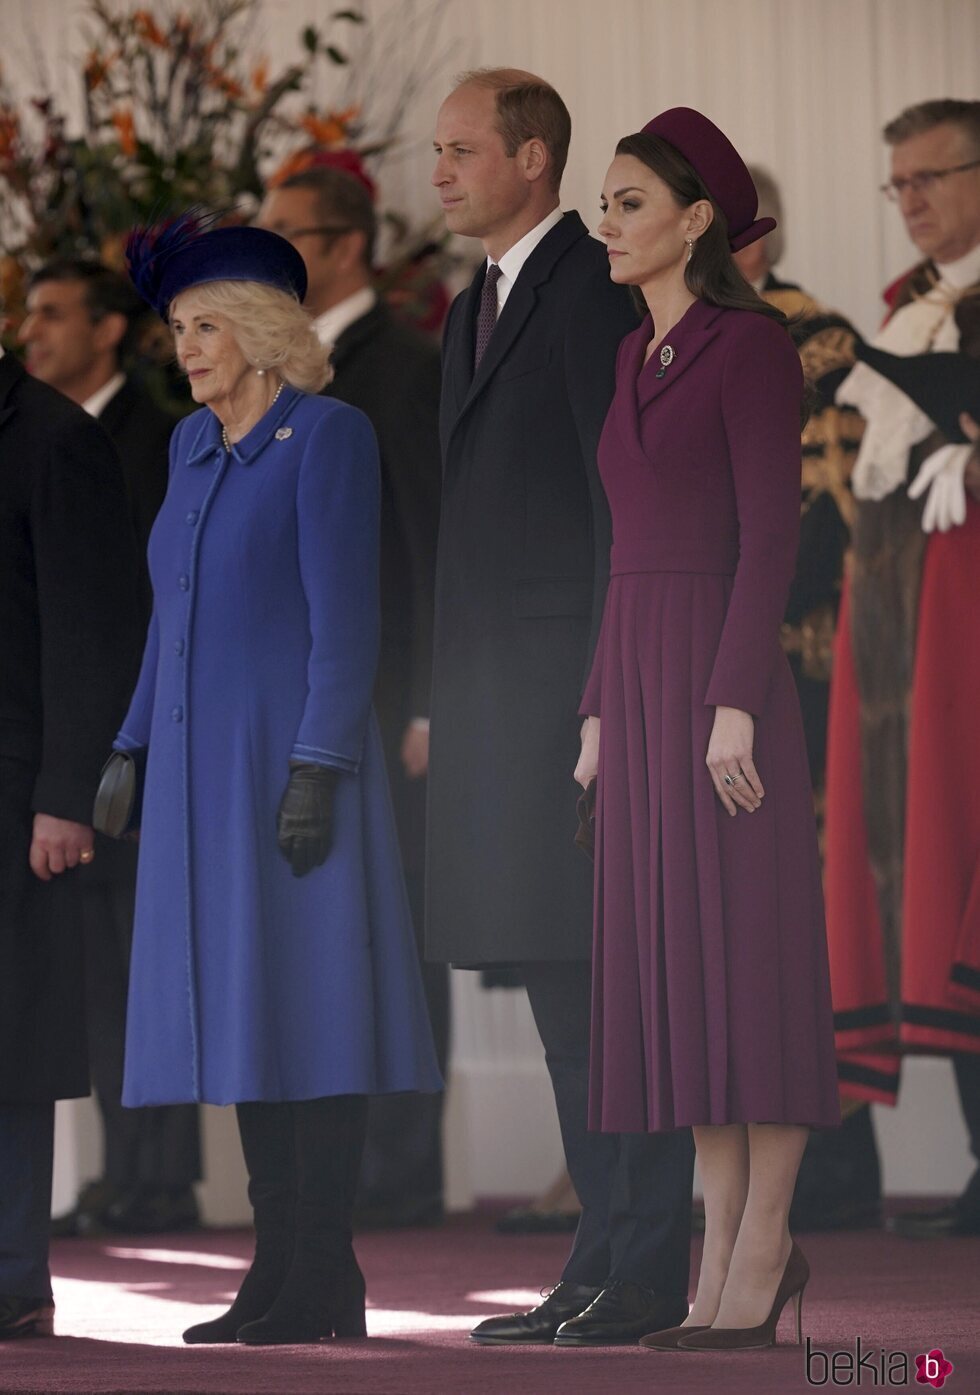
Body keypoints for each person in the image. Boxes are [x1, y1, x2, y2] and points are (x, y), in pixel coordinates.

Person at [116, 215, 442, 1345]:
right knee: (249, 1015)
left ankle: (324, 1268)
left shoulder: (328, 434)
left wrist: (320, 765)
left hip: (294, 765)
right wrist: (124, 747)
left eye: (205, 325)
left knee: (314, 1013)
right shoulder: (190, 448)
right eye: (175, 327)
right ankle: (274, 1268)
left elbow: (348, 622)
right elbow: (172, 615)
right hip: (200, 776)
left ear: (260, 332)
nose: (186, 347)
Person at [427, 68, 695, 1348]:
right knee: (553, 986)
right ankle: (600, 1254)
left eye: (462, 149)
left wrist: (604, 697)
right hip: (491, 697)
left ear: (534, 160)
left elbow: (616, 498)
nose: (439, 170)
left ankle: (639, 1265)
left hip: (574, 698)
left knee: (599, 991)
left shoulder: (588, 288)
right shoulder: (468, 307)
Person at [577, 108, 840, 1353]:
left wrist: (733, 696)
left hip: (716, 683)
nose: (608, 223)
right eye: (604, 203)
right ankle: (719, 1251)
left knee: (748, 958)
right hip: (636, 682)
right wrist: (592, 709)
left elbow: (769, 535)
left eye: (629, 202)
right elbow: (619, 555)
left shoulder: (748, 346)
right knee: (679, 970)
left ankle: (765, 1242)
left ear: (695, 221)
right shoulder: (636, 357)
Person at [257, 166, 448, 1230]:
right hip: (302, 701)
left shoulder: (403, 365)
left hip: (385, 699)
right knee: (332, 932)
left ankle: (404, 1170)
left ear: (344, 245)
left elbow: (426, 537)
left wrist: (428, 700)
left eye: (288, 236)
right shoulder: (276, 374)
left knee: (403, 932)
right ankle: (346, 1169)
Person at [19, 258, 202, 1238]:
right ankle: (126, 1169)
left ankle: (163, 1175)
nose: (32, 330)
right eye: (27, 313)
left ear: (110, 330)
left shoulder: (147, 435)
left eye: (55, 313)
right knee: (95, 976)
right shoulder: (44, 431)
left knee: (147, 967)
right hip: (82, 744)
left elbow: (126, 611)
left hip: (135, 742)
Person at [824, 98, 980, 1240]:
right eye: (897, 184)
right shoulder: (908, 310)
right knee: (934, 860)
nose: (909, 201)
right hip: (908, 633)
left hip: (967, 622)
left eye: (927, 177)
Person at [733, 175, 874, 1233]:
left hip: (800, 655)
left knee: (811, 910)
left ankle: (833, 1164)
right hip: (707, 657)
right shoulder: (664, 339)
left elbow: (829, 508)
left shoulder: (812, 342)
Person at [0, 336, 142, 1338]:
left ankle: (12, 1275)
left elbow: (95, 630)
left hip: (18, 798)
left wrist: (65, 798)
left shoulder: (56, 438)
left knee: (12, 1045)